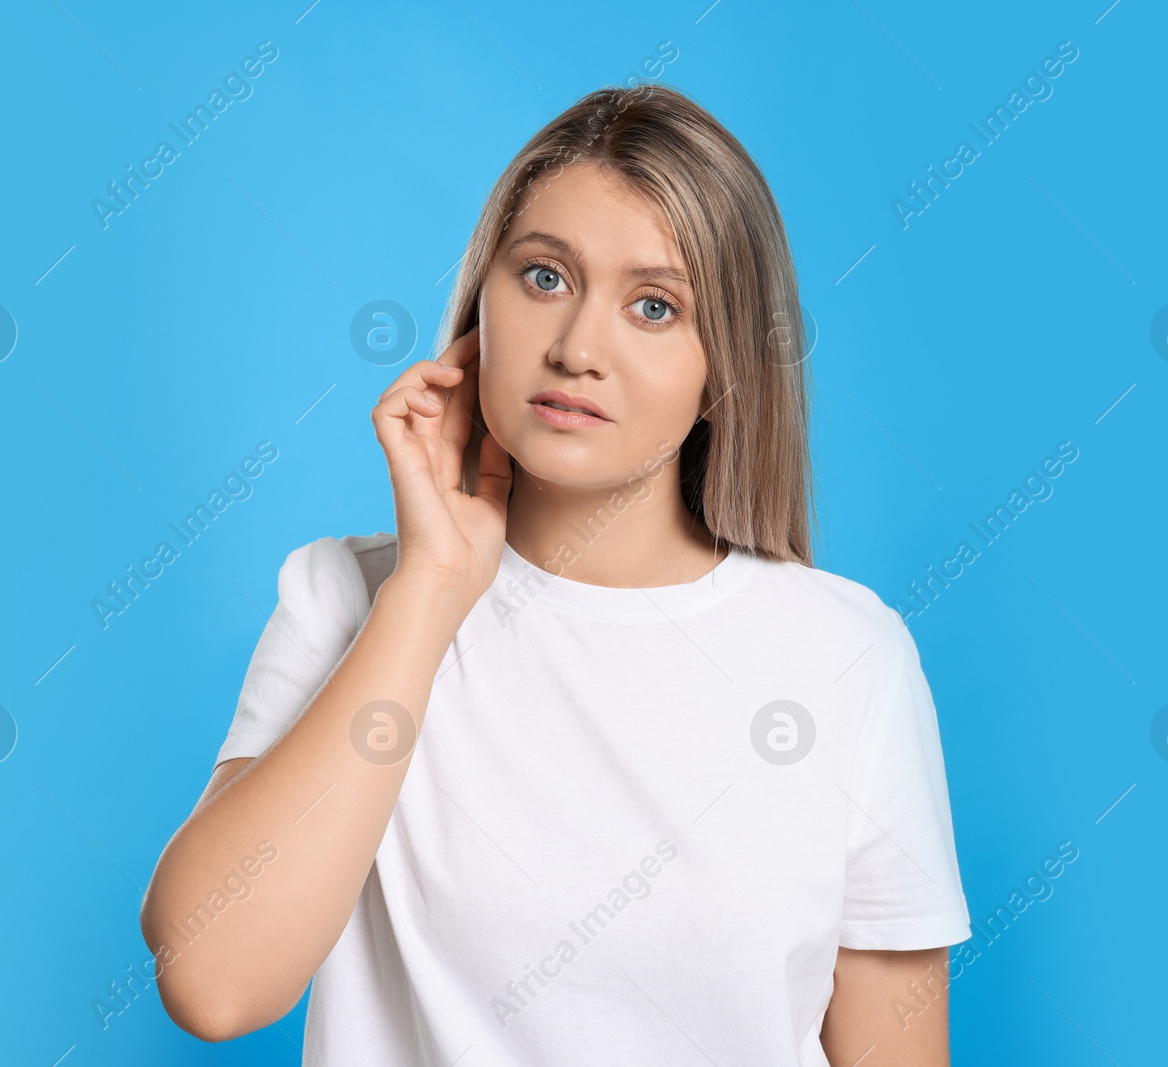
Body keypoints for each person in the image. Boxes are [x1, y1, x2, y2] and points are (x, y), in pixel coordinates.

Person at [140, 82, 970, 1066]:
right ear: (478, 307)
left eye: (654, 306)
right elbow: (215, 981)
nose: (577, 348)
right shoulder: (345, 596)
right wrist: (430, 589)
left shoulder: (846, 653)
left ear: (726, 371)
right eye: (543, 278)